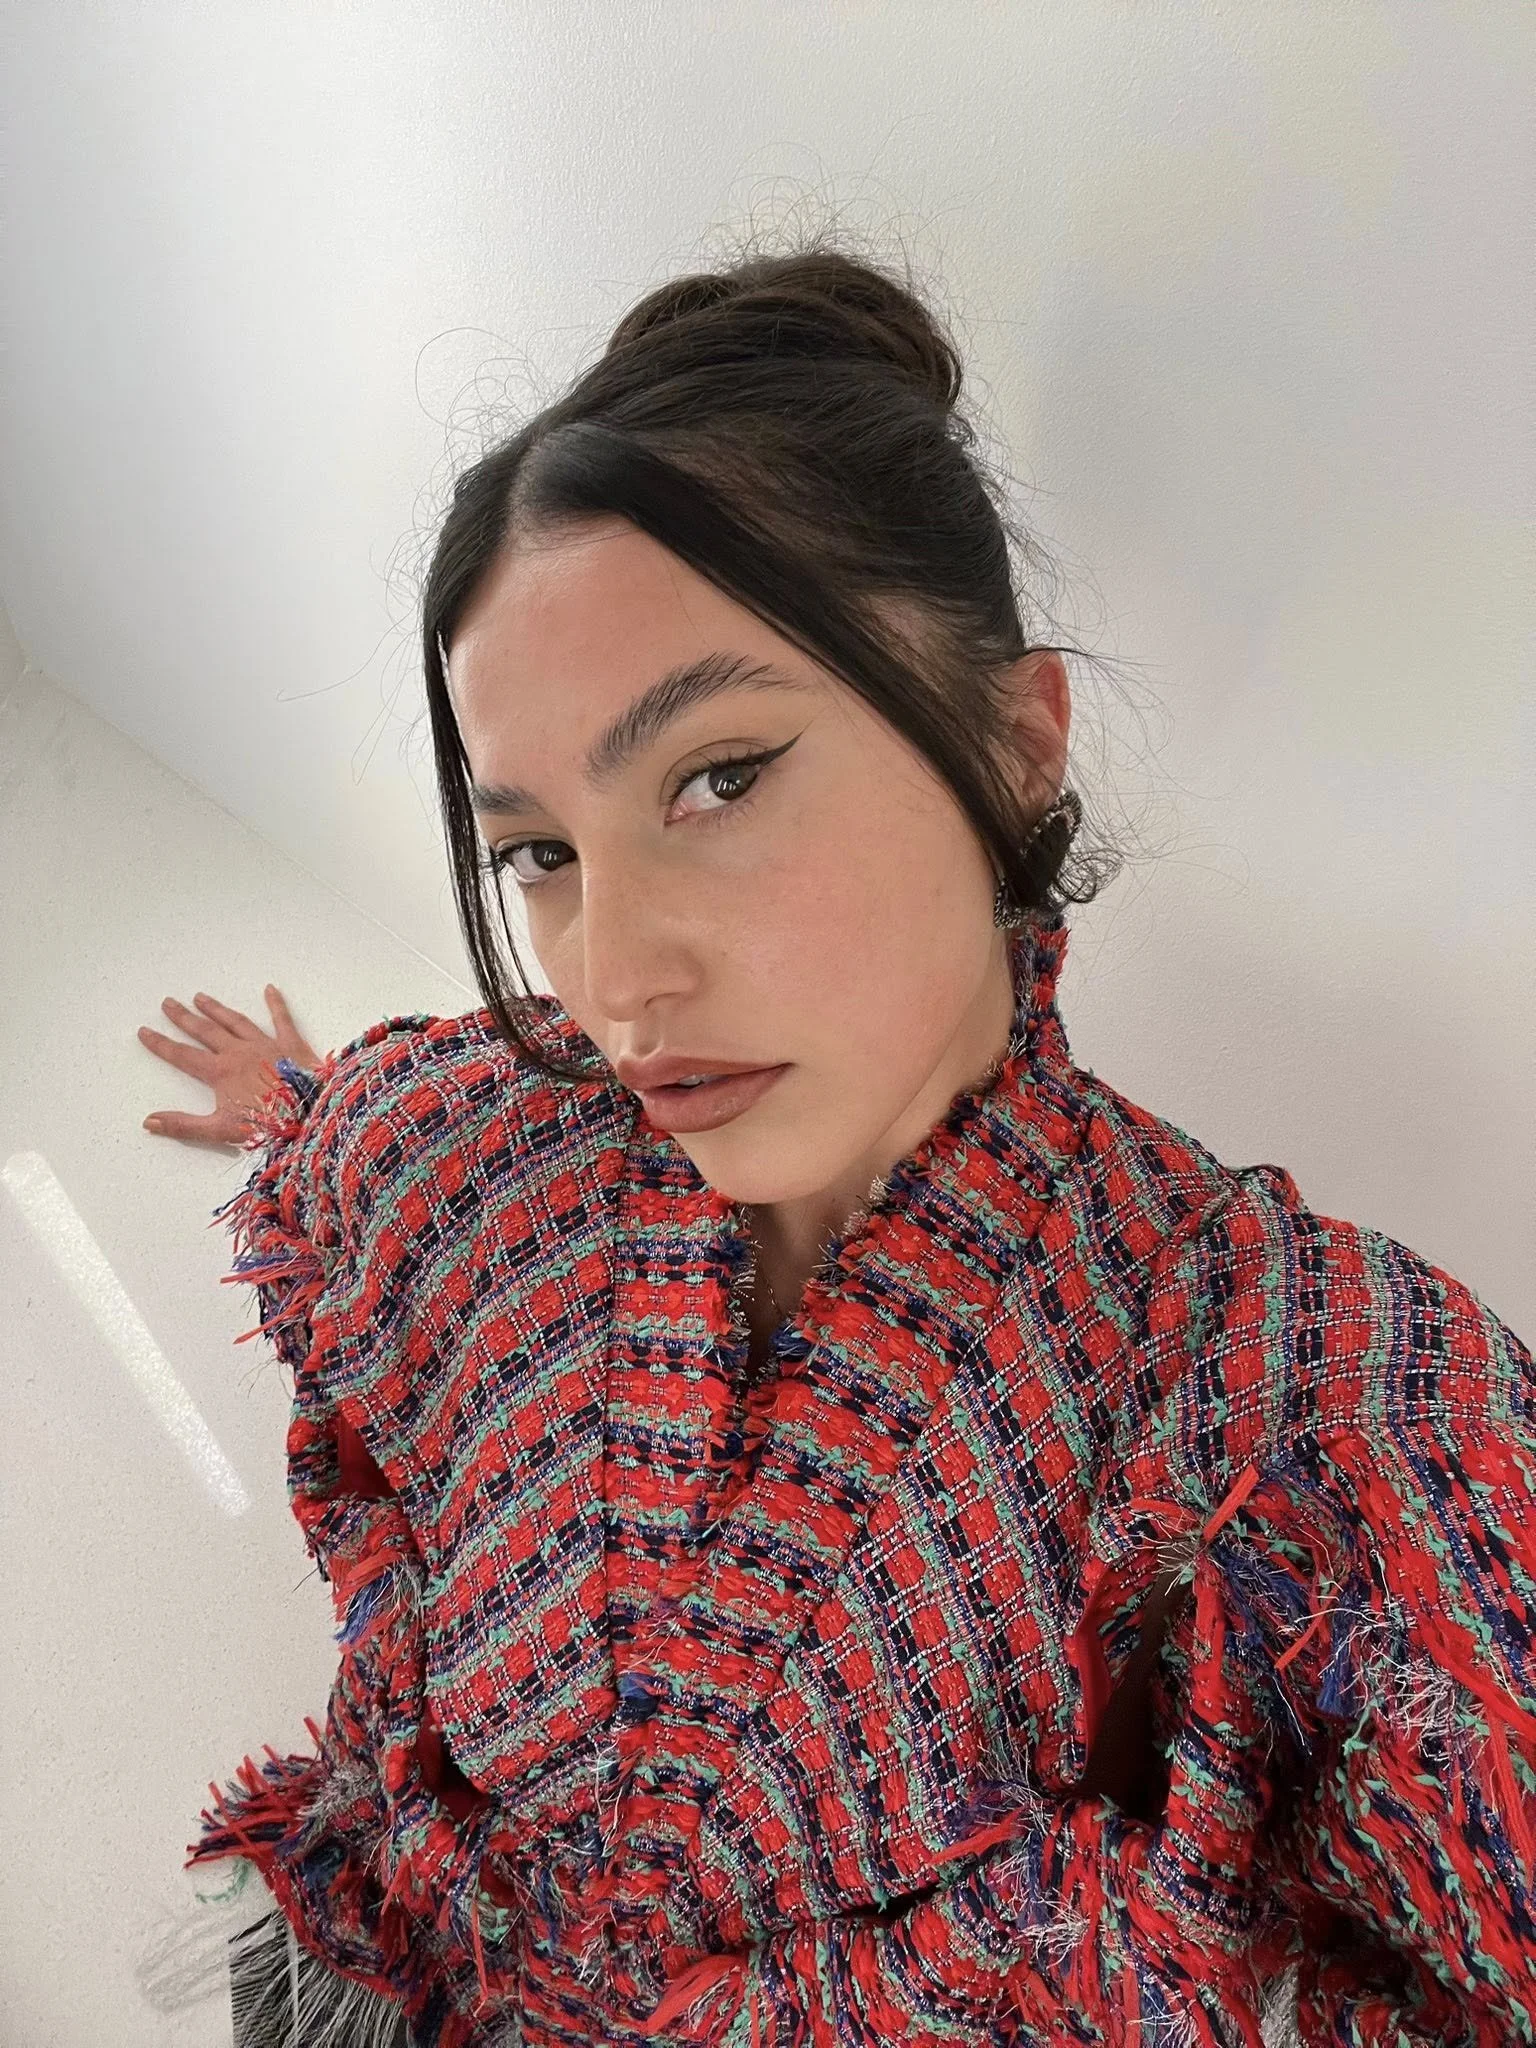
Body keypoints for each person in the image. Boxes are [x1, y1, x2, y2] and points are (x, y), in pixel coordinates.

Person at [139, 244, 1536, 2047]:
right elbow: (363, 1134)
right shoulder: (491, 1143)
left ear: (1016, 741)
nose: (612, 979)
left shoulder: (1294, 1389)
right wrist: (290, 1090)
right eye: (539, 852)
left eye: (718, 779)